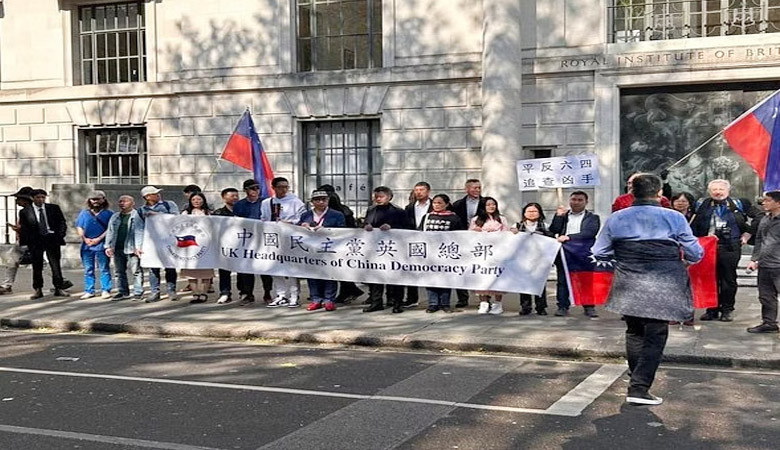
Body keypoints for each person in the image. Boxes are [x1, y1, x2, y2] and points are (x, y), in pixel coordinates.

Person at [592, 173, 703, 406]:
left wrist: (625, 257)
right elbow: (695, 252)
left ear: (632, 192)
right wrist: (685, 260)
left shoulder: (616, 218)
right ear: (659, 193)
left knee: (634, 331)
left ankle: (637, 379)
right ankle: (639, 388)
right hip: (664, 280)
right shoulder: (674, 217)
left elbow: (599, 252)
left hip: (628, 280)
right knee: (656, 334)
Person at [690, 179, 750, 322]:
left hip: (730, 246)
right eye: (714, 190)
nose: (718, 192)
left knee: (728, 279)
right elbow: (693, 224)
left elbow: (759, 216)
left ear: (728, 191)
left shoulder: (738, 203)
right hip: (708, 246)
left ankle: (727, 309)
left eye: (721, 189)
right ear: (709, 192)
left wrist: (748, 234)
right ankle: (711, 309)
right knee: (709, 278)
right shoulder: (702, 204)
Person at [549, 191, 601, 317]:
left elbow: (589, 232)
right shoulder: (563, 215)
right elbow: (553, 230)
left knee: (585, 280)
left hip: (583, 252)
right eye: (573, 199)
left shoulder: (592, 217)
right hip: (564, 253)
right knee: (563, 280)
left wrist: (569, 237)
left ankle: (589, 306)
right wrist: (558, 216)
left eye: (580, 200)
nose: (576, 202)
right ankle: (562, 306)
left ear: (586, 202)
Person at [262, 177, 307, 308]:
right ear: (274, 188)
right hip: (273, 237)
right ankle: (280, 294)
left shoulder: (295, 202)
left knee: (292, 266)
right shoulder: (266, 203)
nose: (284, 190)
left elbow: (302, 219)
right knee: (275, 266)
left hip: (290, 236)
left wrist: (289, 222)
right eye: (280, 187)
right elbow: (263, 218)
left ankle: (294, 295)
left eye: (286, 187)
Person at [363, 186, 408, 313]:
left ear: (389, 197)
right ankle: (376, 302)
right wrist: (366, 225)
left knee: (395, 276)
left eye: (381, 197)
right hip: (375, 248)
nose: (378, 199)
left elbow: (407, 227)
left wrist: (392, 226)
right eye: (376, 197)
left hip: (393, 249)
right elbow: (365, 223)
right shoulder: (371, 210)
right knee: (375, 275)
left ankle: (396, 302)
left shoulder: (398, 211)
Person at [300, 190, 346, 312]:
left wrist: (327, 229)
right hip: (311, 250)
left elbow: (343, 231)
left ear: (328, 200)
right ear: (312, 202)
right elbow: (297, 231)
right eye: (317, 200)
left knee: (330, 274)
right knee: (312, 274)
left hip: (330, 249)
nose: (321, 202)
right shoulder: (306, 215)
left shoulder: (337, 214)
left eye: (323, 199)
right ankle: (316, 299)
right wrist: (303, 226)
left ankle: (329, 300)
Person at [19, 189, 69, 299]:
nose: (41, 199)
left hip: (52, 238)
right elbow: (24, 228)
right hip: (36, 240)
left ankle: (59, 287)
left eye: (43, 197)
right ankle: (38, 289)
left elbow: (62, 222)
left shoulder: (53, 208)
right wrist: (24, 244)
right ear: (32, 198)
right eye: (38, 197)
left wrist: (59, 235)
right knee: (37, 266)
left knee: (55, 265)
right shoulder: (25, 211)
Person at [318, 184, 363, 303]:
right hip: (341, 242)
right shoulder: (344, 209)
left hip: (338, 243)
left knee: (339, 270)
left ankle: (349, 291)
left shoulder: (336, 213)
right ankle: (347, 291)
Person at [418, 194, 463, 313]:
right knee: (430, 278)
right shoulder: (427, 217)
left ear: (446, 204)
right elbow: (419, 233)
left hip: (446, 253)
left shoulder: (454, 218)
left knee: (445, 278)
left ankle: (445, 303)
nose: (436, 205)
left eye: (439, 203)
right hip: (430, 253)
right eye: (434, 203)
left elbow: (460, 235)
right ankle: (433, 303)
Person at [746, 191, 780, 334]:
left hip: (778, 265)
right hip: (765, 264)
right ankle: (769, 323)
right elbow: (759, 240)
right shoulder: (765, 219)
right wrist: (754, 259)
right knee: (766, 296)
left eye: (767, 200)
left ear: (778, 203)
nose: (764, 203)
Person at [137, 186, 179, 303]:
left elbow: (177, 218)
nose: (158, 195)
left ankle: (171, 290)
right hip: (150, 243)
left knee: (170, 267)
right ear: (147, 197)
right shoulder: (141, 210)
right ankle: (154, 292)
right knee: (153, 268)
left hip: (168, 240)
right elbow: (138, 228)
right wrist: (138, 245)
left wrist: (157, 214)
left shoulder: (169, 205)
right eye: (154, 193)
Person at [469, 197, 509, 315]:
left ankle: (498, 303)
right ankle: (483, 302)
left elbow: (506, 235)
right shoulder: (476, 219)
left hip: (497, 253)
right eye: (488, 205)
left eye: (493, 204)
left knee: (497, 277)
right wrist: (476, 232)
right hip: (482, 253)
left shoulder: (501, 219)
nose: (491, 207)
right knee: (482, 278)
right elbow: (469, 236)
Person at [234, 179, 271, 305]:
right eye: (252, 188)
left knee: (265, 268)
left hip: (262, 239)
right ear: (245, 190)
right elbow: (236, 222)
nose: (255, 191)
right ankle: (248, 293)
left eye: (257, 188)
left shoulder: (265, 202)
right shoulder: (239, 204)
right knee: (246, 269)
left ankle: (267, 292)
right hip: (246, 239)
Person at [450, 179, 486, 308]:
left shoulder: (486, 202)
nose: (477, 190)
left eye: (479, 188)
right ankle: (462, 298)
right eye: (474, 188)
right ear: (467, 189)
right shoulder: (457, 204)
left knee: (481, 269)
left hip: (481, 240)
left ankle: (484, 299)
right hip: (462, 239)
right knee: (460, 269)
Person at [512, 202, 552, 316]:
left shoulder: (545, 225)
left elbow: (551, 239)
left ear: (539, 213)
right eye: (529, 211)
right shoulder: (517, 226)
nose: (531, 213)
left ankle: (541, 307)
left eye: (534, 211)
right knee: (524, 283)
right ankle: (525, 307)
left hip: (540, 259)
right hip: (522, 259)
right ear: (524, 213)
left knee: (540, 283)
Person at [75, 191, 114, 299]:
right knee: (88, 269)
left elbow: (110, 229)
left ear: (103, 199)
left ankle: (105, 289)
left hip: (102, 245)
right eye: (93, 199)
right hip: (87, 246)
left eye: (98, 199)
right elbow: (79, 226)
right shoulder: (84, 213)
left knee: (104, 268)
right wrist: (84, 238)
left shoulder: (109, 213)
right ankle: (89, 290)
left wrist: (99, 239)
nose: (95, 201)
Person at [104, 195, 145, 301]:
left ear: (133, 203)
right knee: (119, 272)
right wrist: (108, 246)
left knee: (136, 271)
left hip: (132, 248)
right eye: (120, 201)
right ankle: (122, 292)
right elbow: (110, 231)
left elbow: (140, 231)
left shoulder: (137, 215)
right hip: (117, 247)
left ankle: (138, 292)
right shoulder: (115, 216)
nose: (122, 203)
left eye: (125, 201)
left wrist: (138, 246)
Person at [402, 181, 433, 308]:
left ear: (428, 191)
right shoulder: (409, 207)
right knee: (412, 271)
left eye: (421, 190)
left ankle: (434, 301)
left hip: (431, 243)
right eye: (416, 190)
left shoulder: (435, 205)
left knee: (432, 271)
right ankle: (411, 298)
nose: (419, 192)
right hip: (413, 242)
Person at [180, 193, 214, 304]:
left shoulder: (209, 213)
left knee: (206, 271)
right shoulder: (186, 213)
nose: (196, 201)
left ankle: (203, 293)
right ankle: (195, 293)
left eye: (199, 199)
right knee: (191, 271)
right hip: (190, 245)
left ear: (203, 200)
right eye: (193, 199)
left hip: (206, 245)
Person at [213, 188, 239, 304]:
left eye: (236, 196)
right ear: (224, 198)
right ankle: (225, 293)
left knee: (243, 270)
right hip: (224, 245)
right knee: (224, 270)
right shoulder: (218, 213)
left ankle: (245, 292)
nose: (235, 198)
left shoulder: (242, 211)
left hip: (241, 245)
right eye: (232, 196)